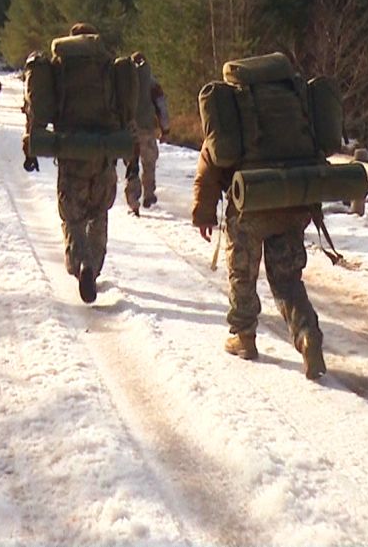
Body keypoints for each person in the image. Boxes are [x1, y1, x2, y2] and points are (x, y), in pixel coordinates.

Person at [192, 54, 327, 380]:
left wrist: (204, 213)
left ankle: (244, 337)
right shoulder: (293, 101)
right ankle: (307, 334)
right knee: (287, 279)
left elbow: (209, 165)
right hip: (291, 202)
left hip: (249, 207)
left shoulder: (232, 106)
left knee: (242, 274)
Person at [22, 23, 131, 303]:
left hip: (70, 153)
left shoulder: (59, 68)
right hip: (104, 154)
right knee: (99, 213)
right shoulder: (107, 66)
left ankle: (81, 262)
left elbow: (38, 107)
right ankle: (93, 266)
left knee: (72, 217)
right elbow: (125, 108)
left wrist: (30, 148)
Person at [124, 51, 170, 216]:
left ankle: (133, 201)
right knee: (149, 164)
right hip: (147, 129)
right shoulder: (152, 84)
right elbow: (161, 107)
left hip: (129, 131)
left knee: (132, 165)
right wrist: (165, 130)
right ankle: (149, 194)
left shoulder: (125, 83)